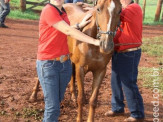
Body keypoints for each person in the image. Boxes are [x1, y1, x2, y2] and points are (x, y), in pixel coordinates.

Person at [36, 0, 100, 121]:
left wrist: (79, 25)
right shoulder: (49, 10)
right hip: (49, 64)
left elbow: (63, 28)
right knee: (52, 107)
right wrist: (95, 41)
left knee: (57, 102)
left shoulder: (62, 11)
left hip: (64, 64)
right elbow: (67, 31)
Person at [104, 0, 145, 121]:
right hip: (118, 51)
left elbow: (112, 14)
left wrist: (97, 9)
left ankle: (137, 114)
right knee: (115, 81)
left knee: (128, 83)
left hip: (130, 52)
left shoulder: (134, 8)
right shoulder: (124, 9)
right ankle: (117, 107)